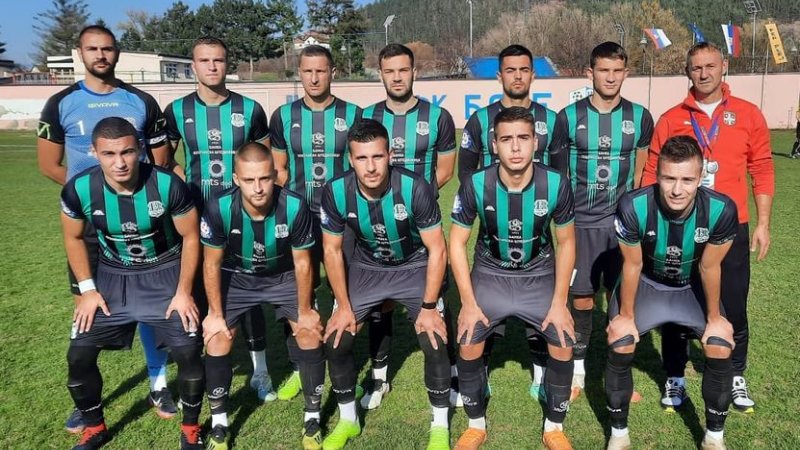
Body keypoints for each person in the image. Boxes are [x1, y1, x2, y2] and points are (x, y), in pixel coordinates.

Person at [36, 24, 175, 433]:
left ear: (117, 53)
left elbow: (161, 162)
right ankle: (86, 403)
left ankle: (158, 384)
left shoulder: (141, 101)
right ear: (80, 53)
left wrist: (133, 200)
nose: (100, 55)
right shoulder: (60, 103)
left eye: (108, 48)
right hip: (91, 227)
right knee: (86, 304)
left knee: (151, 304)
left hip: (143, 224)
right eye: (92, 49)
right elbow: (48, 164)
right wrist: (90, 199)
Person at [641, 42, 774, 413]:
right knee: (675, 303)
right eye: (696, 67)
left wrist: (763, 222)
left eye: (710, 66)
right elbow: (652, 171)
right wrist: (649, 224)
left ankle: (735, 374)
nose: (703, 73)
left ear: (724, 66)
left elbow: (762, 168)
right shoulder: (671, 118)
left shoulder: (748, 114)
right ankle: (675, 376)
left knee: (734, 305)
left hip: (731, 228)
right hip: (678, 228)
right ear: (688, 72)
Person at [60, 117, 204, 450]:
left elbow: (191, 237)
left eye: (126, 152)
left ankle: (190, 429)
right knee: (78, 355)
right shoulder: (79, 188)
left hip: (165, 270)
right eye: (109, 154)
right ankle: (94, 427)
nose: (120, 162)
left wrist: (184, 292)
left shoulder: (167, 185)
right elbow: (73, 238)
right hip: (113, 276)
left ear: (139, 149)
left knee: (188, 350)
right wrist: (87, 290)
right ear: (94, 152)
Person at [450, 107, 577, 450]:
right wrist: (468, 304)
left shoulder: (556, 183)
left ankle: (554, 426)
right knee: (468, 339)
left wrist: (560, 302)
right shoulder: (476, 183)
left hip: (539, 273)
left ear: (536, 142)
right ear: (494, 144)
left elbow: (567, 242)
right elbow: (456, 243)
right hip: (491, 273)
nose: (516, 147)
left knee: (564, 340)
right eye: (506, 139)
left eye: (523, 138)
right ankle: (476, 424)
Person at [320, 119, 451, 450]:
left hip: (414, 265)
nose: (371, 167)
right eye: (362, 158)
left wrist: (428, 307)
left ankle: (439, 425)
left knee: (434, 339)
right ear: (350, 159)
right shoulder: (335, 191)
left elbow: (438, 249)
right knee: (336, 340)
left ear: (389, 154)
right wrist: (343, 306)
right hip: (368, 267)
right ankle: (348, 420)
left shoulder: (415, 187)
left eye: (377, 156)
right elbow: (332, 251)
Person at [163, 36, 277, 403]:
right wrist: (184, 183)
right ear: (193, 66)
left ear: (228, 64)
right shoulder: (177, 110)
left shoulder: (250, 109)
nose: (212, 66)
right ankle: (195, 369)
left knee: (249, 290)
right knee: (197, 289)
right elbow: (165, 161)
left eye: (219, 60)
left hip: (242, 216)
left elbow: (264, 160)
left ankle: (260, 371)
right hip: (196, 218)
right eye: (204, 60)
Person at [606, 135, 737, 450]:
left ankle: (714, 438)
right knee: (621, 339)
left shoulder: (721, 209)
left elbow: (709, 267)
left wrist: (715, 318)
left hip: (691, 287)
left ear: (700, 177)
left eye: (687, 180)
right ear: (657, 175)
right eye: (669, 178)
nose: (677, 189)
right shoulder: (633, 205)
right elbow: (632, 264)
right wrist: (626, 317)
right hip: (648, 284)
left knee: (719, 344)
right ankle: (619, 434)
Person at [200, 142, 326, 450]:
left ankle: (312, 417)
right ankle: (219, 424)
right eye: (249, 180)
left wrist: (306, 310)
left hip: (282, 275)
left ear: (275, 176)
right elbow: (211, 264)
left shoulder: (294, 206)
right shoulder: (218, 207)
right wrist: (214, 314)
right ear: (236, 178)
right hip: (237, 276)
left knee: (309, 332)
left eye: (265, 178)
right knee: (218, 337)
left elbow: (303, 263)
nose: (257, 188)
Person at [549, 41, 653, 401]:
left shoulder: (640, 117)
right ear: (589, 73)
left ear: (626, 72)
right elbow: (559, 178)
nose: (610, 77)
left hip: (622, 227)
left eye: (617, 70)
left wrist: (635, 217)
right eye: (604, 70)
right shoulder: (568, 117)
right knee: (582, 301)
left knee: (621, 298)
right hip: (580, 226)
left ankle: (616, 373)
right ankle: (578, 371)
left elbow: (641, 176)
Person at [360, 43, 458, 410]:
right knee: (380, 302)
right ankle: (379, 376)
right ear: (381, 75)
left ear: (414, 72)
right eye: (390, 71)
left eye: (403, 70)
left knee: (437, 297)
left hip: (421, 222)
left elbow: (445, 169)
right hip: (377, 223)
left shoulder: (438, 117)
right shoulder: (367, 116)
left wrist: (414, 200)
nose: (397, 77)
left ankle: (450, 373)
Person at [457, 43, 558, 399]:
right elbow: (466, 172)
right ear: (499, 76)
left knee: (540, 297)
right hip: (493, 225)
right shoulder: (479, 120)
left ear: (533, 74)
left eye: (524, 69)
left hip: (537, 224)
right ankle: (482, 368)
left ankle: (541, 371)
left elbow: (559, 175)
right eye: (510, 70)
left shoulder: (551, 119)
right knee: (487, 299)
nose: (517, 76)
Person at [269, 44, 361, 401]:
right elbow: (279, 170)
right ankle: (299, 365)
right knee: (296, 292)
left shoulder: (353, 114)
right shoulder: (283, 116)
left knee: (345, 291)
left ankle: (342, 360)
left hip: (341, 219)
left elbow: (358, 168)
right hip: (298, 219)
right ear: (299, 73)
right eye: (307, 71)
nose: (314, 77)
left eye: (321, 70)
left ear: (333, 72)